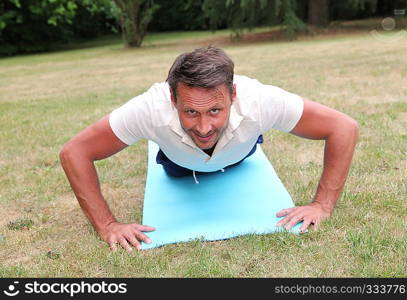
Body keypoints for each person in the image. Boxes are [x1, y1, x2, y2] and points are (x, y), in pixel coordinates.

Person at [60, 46, 359, 252]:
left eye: (215, 110)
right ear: (173, 101)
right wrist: (107, 225)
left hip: (241, 152)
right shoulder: (149, 108)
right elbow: (74, 152)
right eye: (191, 112)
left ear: (233, 95)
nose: (203, 127)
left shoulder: (260, 100)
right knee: (176, 164)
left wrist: (322, 205)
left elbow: (343, 127)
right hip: (179, 165)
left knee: (243, 146)